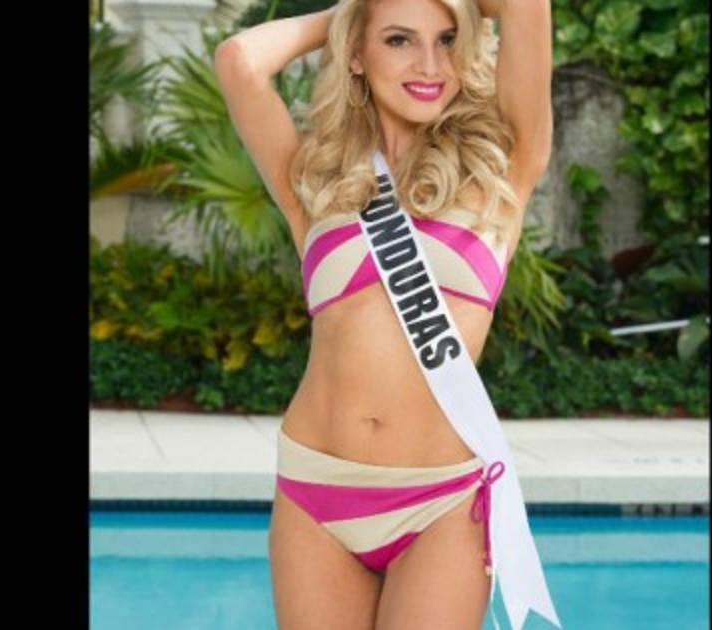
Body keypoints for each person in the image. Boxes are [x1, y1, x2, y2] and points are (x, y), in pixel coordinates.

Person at [213, 1, 554, 628]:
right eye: (399, 40)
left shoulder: (503, 166)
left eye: (447, 40)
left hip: (441, 504)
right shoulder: (316, 182)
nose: (430, 64)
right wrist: (355, 11)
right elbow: (240, 60)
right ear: (356, 54)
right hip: (315, 494)